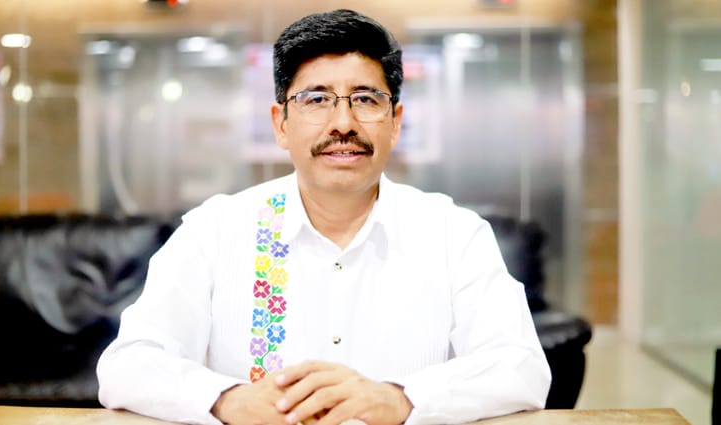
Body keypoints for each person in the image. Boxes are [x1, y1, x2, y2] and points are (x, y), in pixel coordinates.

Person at [96, 9, 551, 425]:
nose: (343, 124)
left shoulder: (453, 233)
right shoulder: (214, 231)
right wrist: (228, 400)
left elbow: (522, 367)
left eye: (365, 99)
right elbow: (128, 364)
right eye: (316, 99)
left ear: (395, 122)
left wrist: (402, 399)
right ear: (280, 123)